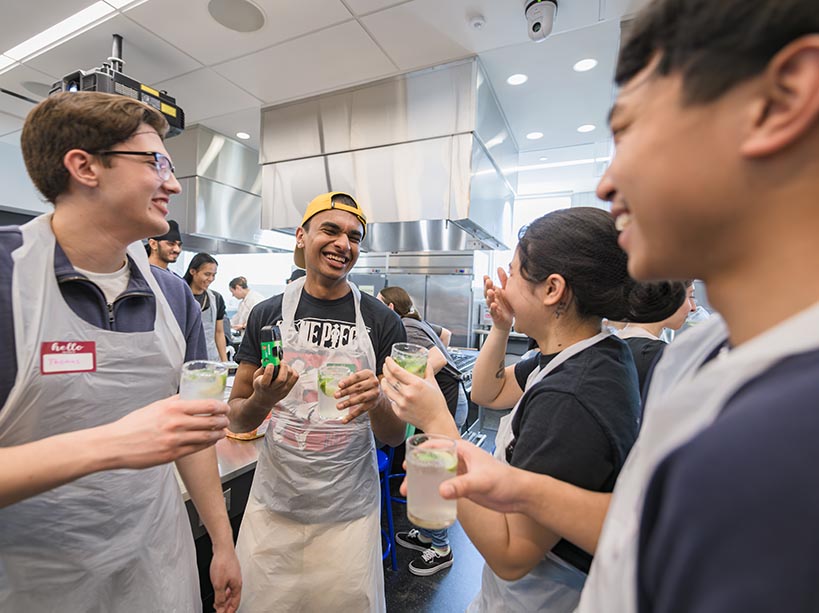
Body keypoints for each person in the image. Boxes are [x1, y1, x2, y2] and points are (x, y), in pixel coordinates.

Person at [395, 1, 819, 611]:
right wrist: (518, 486)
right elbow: (643, 527)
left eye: (630, 131)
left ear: (778, 101)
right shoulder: (699, 354)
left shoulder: (787, 427)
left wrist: (439, 428)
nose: (605, 182)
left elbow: (521, 556)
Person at [0, 92, 241, 611]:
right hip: (33, 583)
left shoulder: (174, 296)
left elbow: (192, 429)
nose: (173, 183)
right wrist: (111, 444)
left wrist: (222, 542)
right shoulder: (7, 279)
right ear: (84, 166)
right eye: (157, 162)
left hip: (156, 566)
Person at [383, 207, 678, 611]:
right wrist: (502, 326)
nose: (505, 287)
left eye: (515, 273)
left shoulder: (574, 393)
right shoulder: (574, 353)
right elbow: (490, 390)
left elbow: (511, 553)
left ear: (552, 289)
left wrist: (436, 422)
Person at [228, 191, 406, 612]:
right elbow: (236, 418)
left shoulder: (382, 322)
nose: (344, 243)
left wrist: (378, 401)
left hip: (349, 514)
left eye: (355, 236)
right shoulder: (267, 314)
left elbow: (396, 435)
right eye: (331, 229)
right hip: (275, 511)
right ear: (301, 236)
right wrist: (261, 400)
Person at [377, 285, 462, 576]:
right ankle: (428, 535)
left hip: (443, 409)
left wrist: (409, 384)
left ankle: (441, 550)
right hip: (445, 403)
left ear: (389, 308)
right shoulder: (417, 321)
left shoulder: (404, 327)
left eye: (378, 305)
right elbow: (446, 337)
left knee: (432, 477)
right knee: (425, 473)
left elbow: (436, 358)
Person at [617, 280, 694, 391]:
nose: (693, 307)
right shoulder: (660, 356)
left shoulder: (612, 346)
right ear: (670, 296)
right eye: (690, 296)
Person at [185, 252, 228, 361]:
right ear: (193, 271)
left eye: (214, 275)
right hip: (184, 358)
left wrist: (225, 361)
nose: (211, 279)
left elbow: (219, 332)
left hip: (210, 359)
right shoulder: (180, 295)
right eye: (207, 274)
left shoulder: (216, 298)